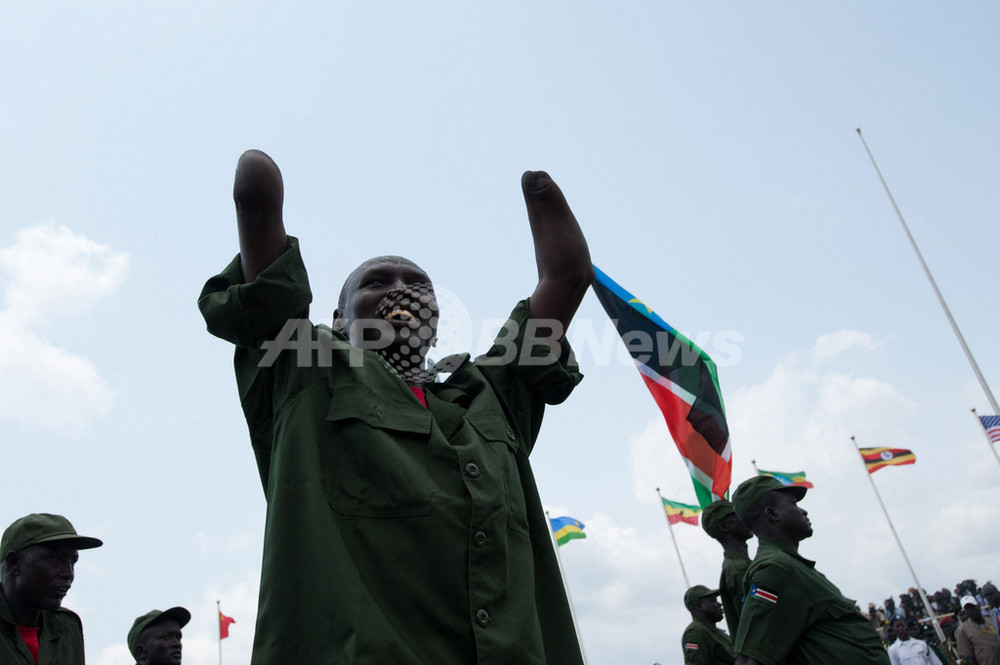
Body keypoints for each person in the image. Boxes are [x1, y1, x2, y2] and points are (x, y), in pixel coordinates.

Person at [199, 150, 593, 664]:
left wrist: (541, 195)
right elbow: (255, 197)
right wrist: (258, 197)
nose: (402, 289)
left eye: (418, 283)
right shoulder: (306, 367)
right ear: (339, 320)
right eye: (377, 281)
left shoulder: (490, 393)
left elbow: (566, 278)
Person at [729, 476, 890, 665]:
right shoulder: (775, 568)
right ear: (772, 514)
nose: (803, 511)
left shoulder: (790, 565)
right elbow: (749, 658)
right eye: (793, 504)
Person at [0, 513, 103, 665]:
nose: (68, 574)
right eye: (55, 560)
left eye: (72, 562)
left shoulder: (67, 627)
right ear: (13, 563)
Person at [701, 499, 753, 638]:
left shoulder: (740, 564)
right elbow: (756, 624)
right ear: (724, 526)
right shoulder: (738, 569)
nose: (745, 516)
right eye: (737, 514)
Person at [681, 585, 735, 664]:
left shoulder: (719, 634)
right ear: (699, 606)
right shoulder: (695, 633)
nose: (719, 604)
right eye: (713, 601)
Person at [955, 595, 1000, 665]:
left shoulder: (991, 620)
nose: (971, 611)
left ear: (978, 606)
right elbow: (967, 656)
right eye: (967, 609)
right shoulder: (963, 630)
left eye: (972, 607)